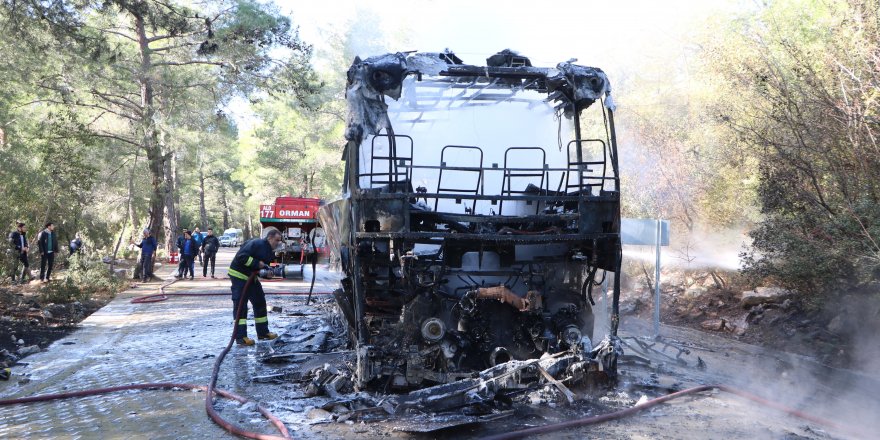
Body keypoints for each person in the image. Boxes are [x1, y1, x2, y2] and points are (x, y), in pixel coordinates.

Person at [228, 229, 282, 345]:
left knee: (260, 302)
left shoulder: (269, 251)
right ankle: (241, 337)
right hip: (239, 276)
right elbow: (242, 257)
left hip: (251, 278)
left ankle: (263, 333)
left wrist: (268, 274)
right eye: (276, 240)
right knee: (241, 306)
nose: (278, 243)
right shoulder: (257, 244)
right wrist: (257, 263)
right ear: (269, 238)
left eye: (279, 241)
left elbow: (262, 269)